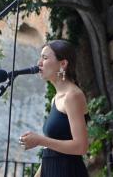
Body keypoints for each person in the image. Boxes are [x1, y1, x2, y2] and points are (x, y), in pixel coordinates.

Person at [19, 40, 89, 177]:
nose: (39, 63)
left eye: (45, 58)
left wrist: (39, 140)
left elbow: (81, 146)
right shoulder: (56, 99)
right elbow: (50, 151)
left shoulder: (72, 96)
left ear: (63, 64)